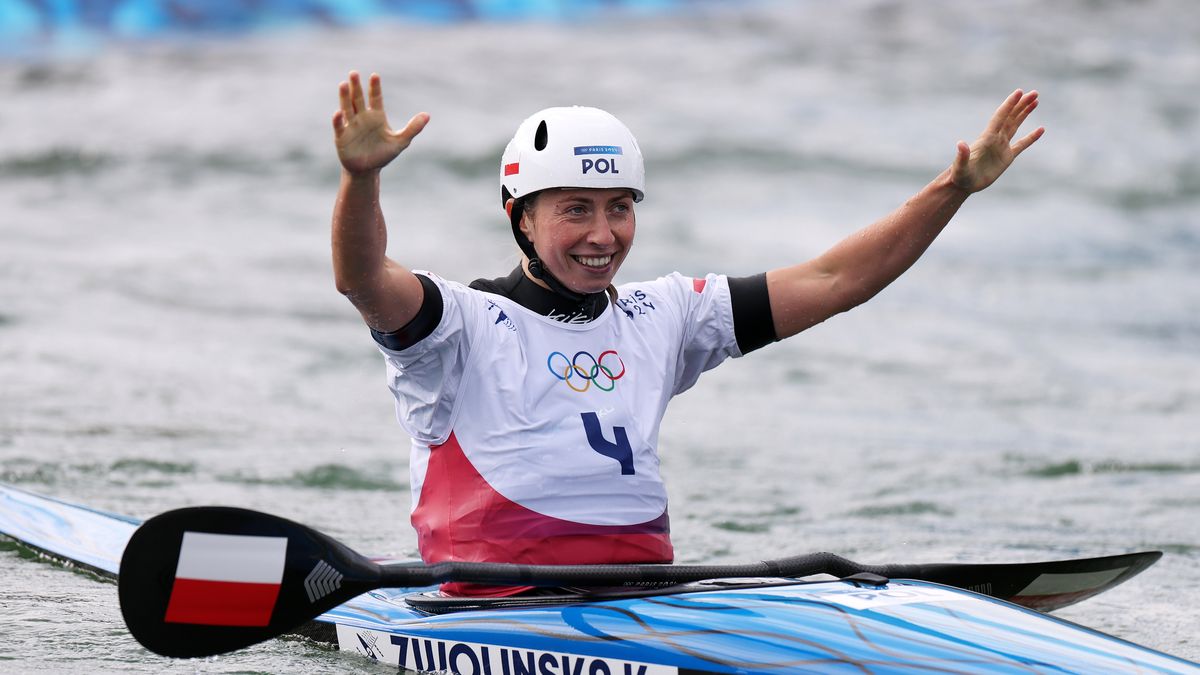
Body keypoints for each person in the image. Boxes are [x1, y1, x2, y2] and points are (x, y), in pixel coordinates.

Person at [330, 71, 1044, 597]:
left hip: (650, 598)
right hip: (490, 613)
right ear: (520, 217)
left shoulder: (664, 312)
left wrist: (951, 190)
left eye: (619, 208)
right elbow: (363, 278)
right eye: (575, 210)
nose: (603, 235)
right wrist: (361, 180)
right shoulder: (457, 325)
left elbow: (834, 280)